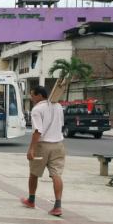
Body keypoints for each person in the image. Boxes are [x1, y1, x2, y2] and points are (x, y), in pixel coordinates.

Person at [21, 86, 65, 216]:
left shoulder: (37, 109)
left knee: (34, 173)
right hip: (58, 145)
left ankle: (31, 200)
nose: (31, 98)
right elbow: (61, 124)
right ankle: (58, 206)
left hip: (42, 146)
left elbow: (37, 131)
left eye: (32, 95)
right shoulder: (58, 106)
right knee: (56, 175)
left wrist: (31, 149)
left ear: (39, 95)